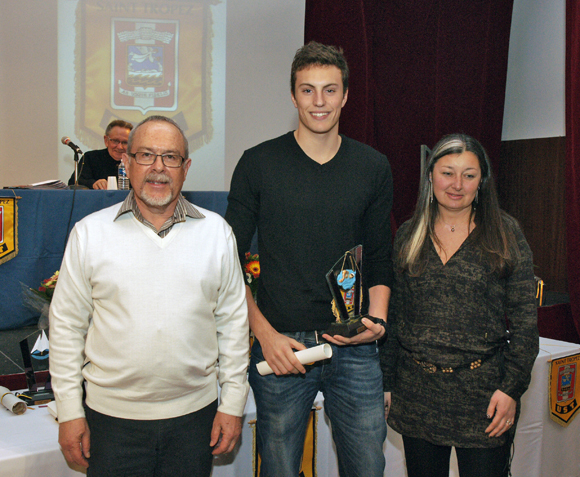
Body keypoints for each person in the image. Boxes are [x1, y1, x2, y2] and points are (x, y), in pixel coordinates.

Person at [225, 41, 393, 477]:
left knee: (369, 466)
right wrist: (263, 334)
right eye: (308, 90)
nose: (319, 102)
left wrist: (375, 323)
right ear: (293, 95)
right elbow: (226, 261)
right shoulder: (258, 164)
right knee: (279, 467)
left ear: (346, 95)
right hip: (283, 345)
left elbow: (379, 255)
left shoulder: (373, 166)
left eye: (330, 90)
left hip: (354, 345)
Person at [50, 115, 250, 476]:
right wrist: (69, 411)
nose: (158, 168)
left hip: (195, 421)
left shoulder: (217, 234)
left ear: (186, 168)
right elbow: (66, 329)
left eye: (170, 157)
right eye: (145, 155)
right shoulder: (89, 234)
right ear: (126, 163)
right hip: (111, 424)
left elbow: (234, 326)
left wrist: (233, 403)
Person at [380, 133, 539, 477]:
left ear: (482, 181)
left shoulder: (505, 233)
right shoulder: (409, 235)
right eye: (447, 172)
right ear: (430, 176)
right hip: (418, 394)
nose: (457, 184)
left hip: (483, 398)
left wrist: (510, 389)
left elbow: (526, 323)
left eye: (469, 174)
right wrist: (387, 381)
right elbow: (395, 317)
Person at [68, 119, 133, 189]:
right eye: (115, 141)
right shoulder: (90, 158)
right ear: (106, 140)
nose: (120, 147)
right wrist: (93, 183)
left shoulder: (136, 161)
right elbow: (73, 183)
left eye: (125, 142)